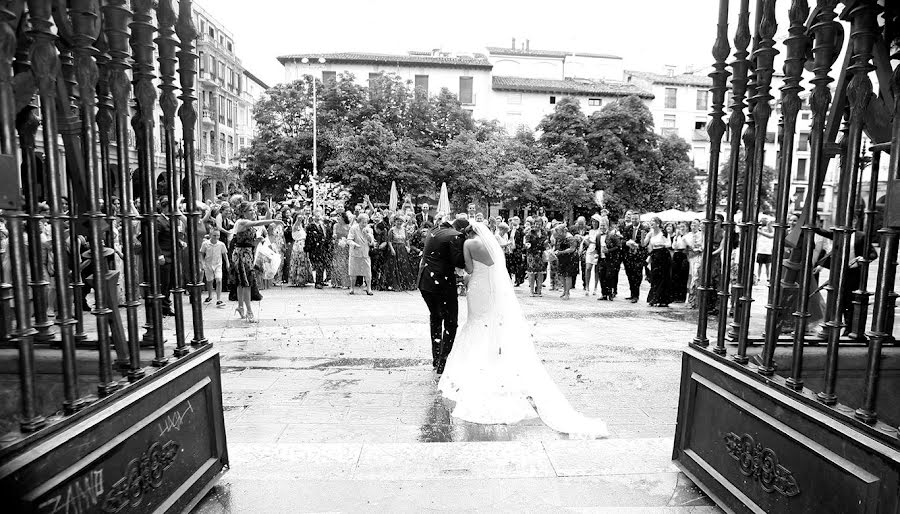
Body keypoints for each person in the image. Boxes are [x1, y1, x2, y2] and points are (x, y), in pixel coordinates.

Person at [438, 222, 608, 438]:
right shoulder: (491, 246)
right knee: (490, 324)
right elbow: (496, 267)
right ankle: (493, 359)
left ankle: (476, 364)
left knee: (475, 324)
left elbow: (469, 270)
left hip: (478, 287)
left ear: (469, 232)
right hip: (492, 290)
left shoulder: (469, 243)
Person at [418, 216, 466, 374]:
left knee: (436, 317)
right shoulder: (456, 236)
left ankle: (436, 358)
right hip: (442, 283)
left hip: (425, 281)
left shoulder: (435, 229)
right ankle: (443, 363)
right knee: (451, 322)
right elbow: (459, 262)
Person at [230, 202, 283, 323]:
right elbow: (257, 223)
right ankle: (249, 311)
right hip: (241, 255)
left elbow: (251, 241)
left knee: (242, 282)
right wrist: (275, 220)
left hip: (247, 254)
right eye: (250, 211)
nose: (253, 212)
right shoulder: (241, 222)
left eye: (253, 210)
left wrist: (257, 241)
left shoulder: (247, 224)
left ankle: (241, 306)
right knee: (246, 283)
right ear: (243, 212)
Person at [644, 217, 672, 307]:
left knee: (663, 276)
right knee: (655, 276)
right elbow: (644, 244)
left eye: (653, 222)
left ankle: (662, 298)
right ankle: (654, 297)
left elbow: (669, 244)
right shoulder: (650, 233)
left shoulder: (663, 233)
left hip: (663, 254)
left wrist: (661, 244)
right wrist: (643, 236)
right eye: (650, 222)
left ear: (658, 224)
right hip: (655, 254)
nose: (651, 224)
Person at [620, 211, 648, 303]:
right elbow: (623, 240)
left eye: (636, 219)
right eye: (632, 219)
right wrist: (627, 243)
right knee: (630, 275)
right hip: (628, 256)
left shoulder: (644, 229)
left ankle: (636, 295)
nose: (634, 221)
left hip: (639, 256)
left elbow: (644, 243)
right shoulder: (627, 228)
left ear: (639, 219)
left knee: (637, 275)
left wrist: (636, 245)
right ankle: (632, 293)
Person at [200, 228, 229, 307]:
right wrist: (202, 263)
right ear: (210, 235)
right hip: (208, 264)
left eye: (218, 236)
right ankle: (210, 296)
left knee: (219, 280)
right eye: (214, 235)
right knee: (209, 281)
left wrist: (227, 263)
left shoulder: (221, 244)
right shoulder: (205, 244)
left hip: (218, 264)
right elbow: (202, 254)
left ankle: (219, 299)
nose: (216, 237)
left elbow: (224, 254)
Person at [347, 213, 374, 295]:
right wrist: (354, 244)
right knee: (353, 271)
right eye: (363, 222)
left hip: (365, 253)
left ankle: (369, 288)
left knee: (367, 271)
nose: (364, 224)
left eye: (366, 222)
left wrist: (368, 236)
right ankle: (352, 288)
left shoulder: (369, 229)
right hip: (355, 253)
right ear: (359, 221)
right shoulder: (353, 228)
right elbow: (349, 240)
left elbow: (372, 242)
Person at [388, 214, 416, 291]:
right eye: (398, 221)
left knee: (403, 266)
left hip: (402, 249)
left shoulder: (404, 230)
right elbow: (389, 241)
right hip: (395, 248)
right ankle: (394, 284)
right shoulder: (392, 230)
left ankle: (404, 283)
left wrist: (408, 247)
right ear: (395, 221)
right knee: (395, 266)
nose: (399, 223)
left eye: (401, 221)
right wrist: (392, 249)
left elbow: (407, 240)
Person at [552, 223, 578, 300]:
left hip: (570, 258)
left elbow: (572, 249)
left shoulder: (570, 238)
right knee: (561, 275)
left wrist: (561, 252)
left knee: (568, 275)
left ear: (563, 232)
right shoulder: (559, 237)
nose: (558, 236)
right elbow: (556, 246)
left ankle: (567, 292)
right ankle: (565, 290)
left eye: (559, 234)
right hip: (562, 258)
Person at [525, 217, 549, 297]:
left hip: (541, 254)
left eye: (539, 224)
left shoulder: (544, 233)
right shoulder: (530, 232)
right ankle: (531, 291)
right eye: (536, 224)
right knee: (532, 273)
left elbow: (546, 243)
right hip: (532, 254)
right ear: (534, 224)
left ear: (542, 225)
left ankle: (539, 291)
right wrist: (527, 245)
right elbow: (527, 242)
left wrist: (546, 244)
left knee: (540, 273)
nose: (538, 226)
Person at [306, 208, 328, 289]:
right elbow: (309, 238)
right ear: (314, 216)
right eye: (316, 215)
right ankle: (318, 282)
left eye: (319, 215)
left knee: (322, 265)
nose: (318, 217)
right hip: (315, 248)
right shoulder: (310, 226)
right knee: (319, 265)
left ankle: (321, 280)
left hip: (323, 248)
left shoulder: (323, 224)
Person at [289, 216, 313, 287]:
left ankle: (303, 279)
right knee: (298, 261)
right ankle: (297, 279)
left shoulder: (302, 227)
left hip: (303, 244)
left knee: (303, 262)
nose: (301, 219)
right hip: (298, 244)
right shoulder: (295, 226)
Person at [670, 222, 690, 303]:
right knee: (675, 275)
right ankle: (675, 295)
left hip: (684, 254)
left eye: (683, 226)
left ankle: (681, 296)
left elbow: (687, 244)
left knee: (683, 275)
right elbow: (673, 246)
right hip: (676, 254)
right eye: (680, 227)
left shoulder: (688, 235)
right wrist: (676, 237)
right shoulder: (676, 236)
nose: (681, 228)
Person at [581, 216, 601, 296]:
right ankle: (587, 287)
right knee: (588, 268)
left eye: (596, 222)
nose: (594, 223)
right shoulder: (590, 231)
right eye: (593, 222)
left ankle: (595, 287)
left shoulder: (600, 231)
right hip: (590, 250)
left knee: (596, 270)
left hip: (596, 250)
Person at [331, 211, 351, 289]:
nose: (338, 218)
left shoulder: (348, 226)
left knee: (344, 264)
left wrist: (346, 241)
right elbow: (334, 233)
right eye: (337, 216)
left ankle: (345, 282)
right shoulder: (335, 225)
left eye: (339, 216)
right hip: (337, 245)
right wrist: (334, 236)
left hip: (345, 246)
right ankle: (336, 282)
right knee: (336, 263)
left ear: (343, 217)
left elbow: (350, 236)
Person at [756, 217, 774, 284]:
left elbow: (770, 234)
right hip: (761, 250)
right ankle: (758, 277)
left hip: (767, 250)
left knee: (767, 266)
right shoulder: (761, 229)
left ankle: (768, 277)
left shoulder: (769, 230)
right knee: (760, 266)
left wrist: (768, 224)